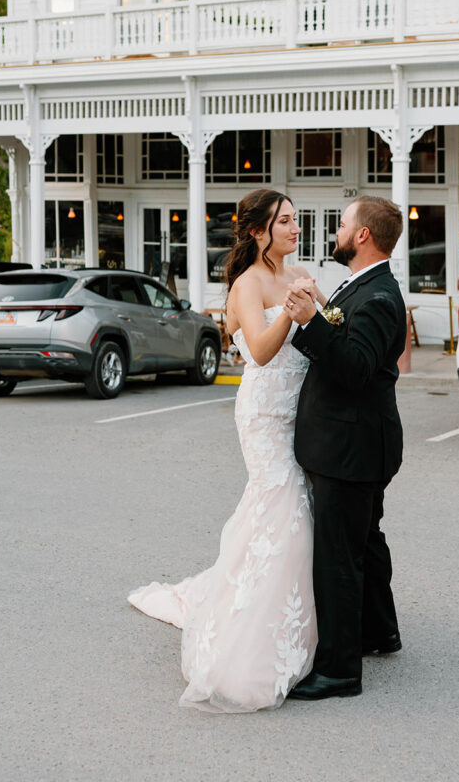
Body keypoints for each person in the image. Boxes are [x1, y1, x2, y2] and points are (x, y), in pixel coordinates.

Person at [128, 188, 322, 713]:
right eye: (284, 222)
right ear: (258, 230)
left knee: (293, 506)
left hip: (299, 408)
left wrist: (318, 310)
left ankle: (295, 622)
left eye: (295, 221)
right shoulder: (248, 283)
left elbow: (323, 331)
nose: (294, 229)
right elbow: (258, 349)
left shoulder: (300, 273)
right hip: (263, 412)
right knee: (284, 507)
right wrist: (293, 311)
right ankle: (253, 640)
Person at [282, 195, 407, 700]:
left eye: (343, 223)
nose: (335, 230)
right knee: (365, 540)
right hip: (358, 442)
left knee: (338, 554)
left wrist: (313, 319)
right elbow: (349, 338)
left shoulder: (379, 297)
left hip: (350, 446)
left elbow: (355, 367)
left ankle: (338, 669)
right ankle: (380, 632)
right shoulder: (364, 286)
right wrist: (324, 310)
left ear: (362, 236)